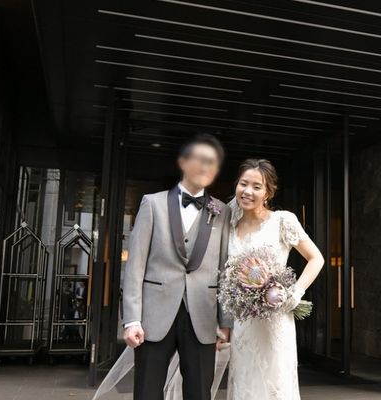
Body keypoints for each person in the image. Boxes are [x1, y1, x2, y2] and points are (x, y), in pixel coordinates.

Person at [121, 133, 232, 400]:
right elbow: (135, 265)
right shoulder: (152, 203)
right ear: (183, 162)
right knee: (147, 392)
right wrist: (132, 319)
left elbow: (224, 269)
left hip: (203, 316)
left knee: (199, 393)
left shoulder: (222, 211)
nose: (205, 166)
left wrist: (225, 321)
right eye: (200, 159)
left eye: (212, 162)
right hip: (154, 315)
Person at [225, 159, 324, 400]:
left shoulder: (282, 221)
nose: (248, 191)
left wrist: (295, 293)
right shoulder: (228, 223)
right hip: (243, 324)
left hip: (275, 321)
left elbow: (316, 258)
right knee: (245, 385)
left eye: (256, 186)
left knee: (275, 386)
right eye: (243, 184)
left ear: (268, 192)